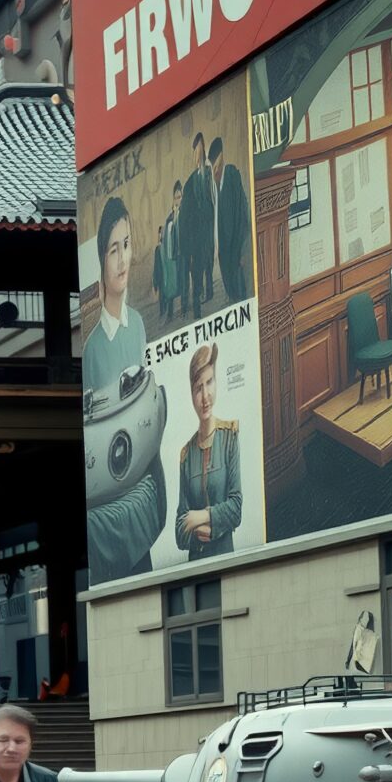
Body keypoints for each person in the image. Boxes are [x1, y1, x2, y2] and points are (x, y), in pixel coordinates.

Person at [84, 194, 169, 584]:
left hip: (141, 485)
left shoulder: (137, 325)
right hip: (109, 499)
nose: (122, 259)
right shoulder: (91, 350)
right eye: (113, 249)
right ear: (102, 259)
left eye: (127, 245)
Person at [176, 342, 242, 562]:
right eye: (198, 388)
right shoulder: (186, 455)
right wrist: (196, 534)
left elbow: (236, 507)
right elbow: (179, 531)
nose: (205, 396)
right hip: (196, 566)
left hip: (225, 559)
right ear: (191, 393)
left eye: (209, 383)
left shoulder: (230, 436)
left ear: (216, 382)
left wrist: (202, 517)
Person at [179, 130, 216, 313]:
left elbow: (213, 200)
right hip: (197, 235)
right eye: (197, 151)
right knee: (198, 268)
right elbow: (186, 214)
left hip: (208, 230)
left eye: (201, 149)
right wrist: (187, 242)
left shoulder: (209, 174)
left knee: (208, 262)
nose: (199, 156)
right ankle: (196, 304)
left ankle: (209, 292)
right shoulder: (191, 182)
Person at [212, 136, 250, 302]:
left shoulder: (232, 175)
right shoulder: (213, 189)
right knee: (230, 287)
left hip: (236, 245)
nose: (215, 171)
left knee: (240, 289)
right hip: (223, 251)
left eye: (216, 165)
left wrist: (242, 248)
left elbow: (242, 214)